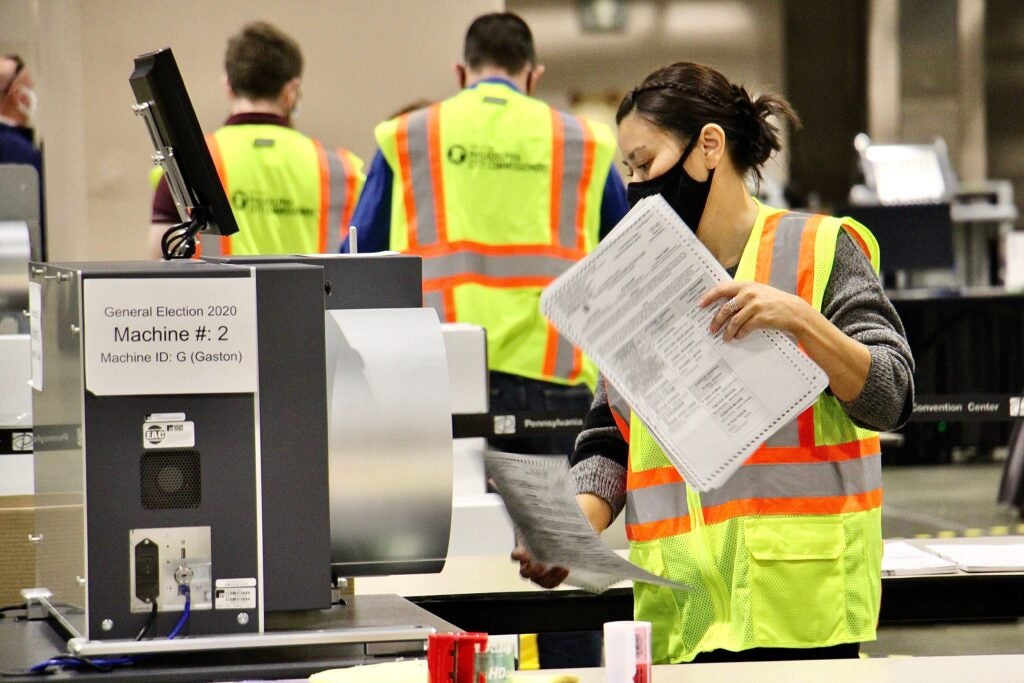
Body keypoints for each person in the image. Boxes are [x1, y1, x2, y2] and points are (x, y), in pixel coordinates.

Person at [514, 61, 915, 664]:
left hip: (801, 609)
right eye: (628, 170)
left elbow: (892, 397)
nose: (636, 185)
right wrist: (568, 530)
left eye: (645, 164)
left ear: (708, 147)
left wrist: (802, 321)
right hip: (683, 615)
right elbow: (610, 440)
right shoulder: (637, 281)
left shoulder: (821, 250)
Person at [344, 12, 628, 459]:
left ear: (461, 73)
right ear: (533, 77)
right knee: (549, 527)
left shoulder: (409, 136)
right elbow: (627, 258)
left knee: (451, 527)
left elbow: (354, 260)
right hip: (552, 384)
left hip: (437, 375)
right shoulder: (583, 142)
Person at [150, 21, 364, 258]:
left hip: (220, 296)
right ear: (291, 90)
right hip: (313, 296)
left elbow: (161, 253)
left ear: (228, 86)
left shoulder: (186, 161)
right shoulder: (342, 170)